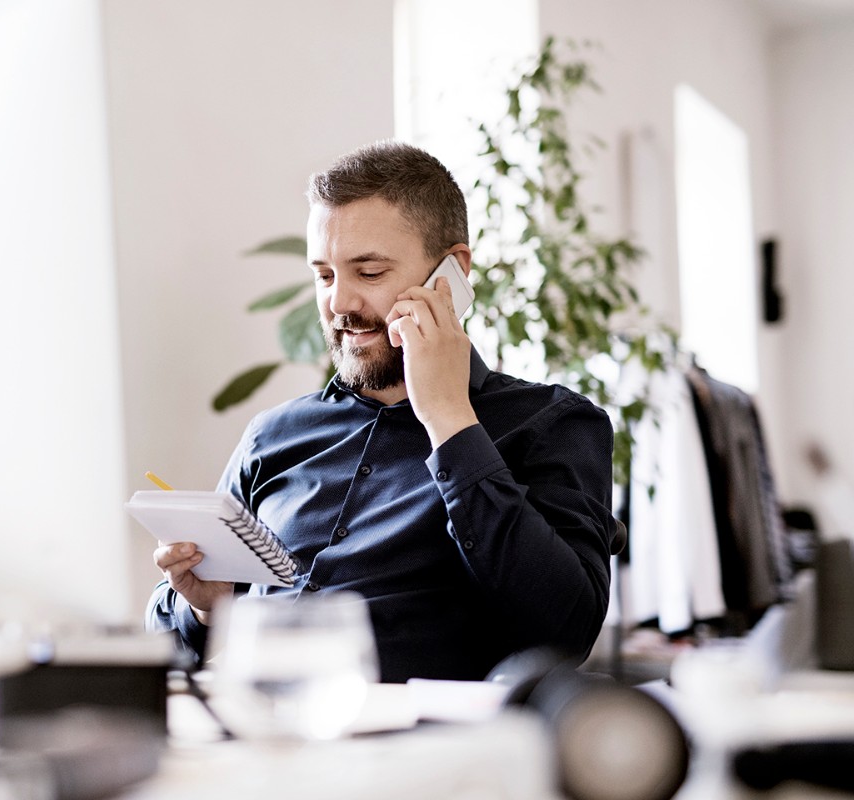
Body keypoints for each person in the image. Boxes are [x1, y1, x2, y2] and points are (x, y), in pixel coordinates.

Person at [146, 141, 615, 683]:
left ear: (452, 274)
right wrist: (206, 608)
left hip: (416, 752)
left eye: (368, 273)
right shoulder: (271, 436)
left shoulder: (552, 424)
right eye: (324, 276)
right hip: (253, 736)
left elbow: (565, 632)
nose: (339, 304)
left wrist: (447, 418)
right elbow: (162, 652)